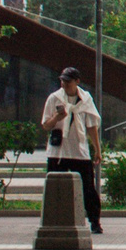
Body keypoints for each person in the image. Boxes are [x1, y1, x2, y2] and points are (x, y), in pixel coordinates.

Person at [42, 67, 102, 234]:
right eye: (62, 81)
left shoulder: (86, 100)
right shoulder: (54, 98)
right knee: (54, 187)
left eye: (68, 81)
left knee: (88, 188)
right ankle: (52, 220)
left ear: (77, 81)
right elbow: (46, 125)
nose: (64, 84)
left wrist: (97, 149)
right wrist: (57, 117)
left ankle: (94, 221)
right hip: (58, 152)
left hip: (79, 151)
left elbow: (91, 126)